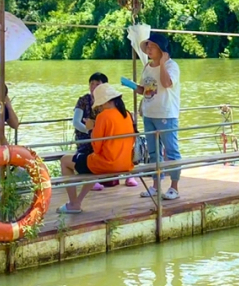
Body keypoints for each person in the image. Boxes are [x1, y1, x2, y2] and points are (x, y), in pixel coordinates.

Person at [58, 83, 135, 213]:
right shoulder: (127, 115)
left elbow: (96, 147)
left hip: (107, 164)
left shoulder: (103, 116)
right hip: (126, 163)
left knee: (65, 160)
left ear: (103, 102)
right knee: (90, 166)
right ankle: (77, 202)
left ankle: (73, 203)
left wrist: (90, 128)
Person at [135, 32, 182, 200]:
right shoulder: (147, 67)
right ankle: (156, 186)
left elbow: (166, 83)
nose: (148, 49)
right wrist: (133, 86)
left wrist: (162, 64)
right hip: (149, 114)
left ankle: (174, 187)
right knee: (153, 152)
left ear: (161, 49)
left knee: (171, 151)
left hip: (166, 114)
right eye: (147, 46)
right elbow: (147, 89)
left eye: (152, 46)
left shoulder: (171, 66)